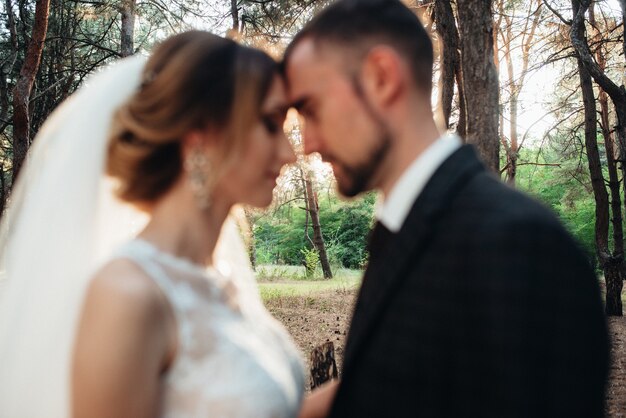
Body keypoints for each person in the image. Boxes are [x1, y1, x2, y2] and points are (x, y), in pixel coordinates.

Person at [284, 1, 609, 417]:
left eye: (311, 109)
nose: (307, 143)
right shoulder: (408, 229)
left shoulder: (519, 246)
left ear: (381, 78)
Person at [0, 31, 305, 417]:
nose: (290, 153)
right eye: (270, 124)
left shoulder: (222, 278)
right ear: (200, 135)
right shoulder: (128, 295)